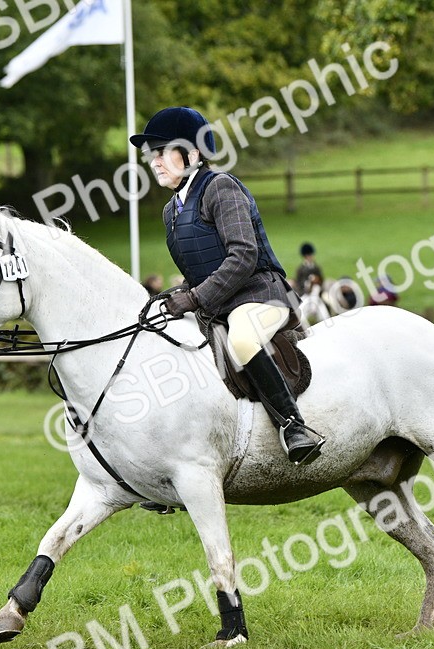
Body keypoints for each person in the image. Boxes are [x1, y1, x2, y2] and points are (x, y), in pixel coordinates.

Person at [130, 106, 324, 464]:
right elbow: (200, 269)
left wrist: (194, 297)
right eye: (151, 154)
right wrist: (176, 296)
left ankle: (293, 425)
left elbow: (244, 255)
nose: (154, 161)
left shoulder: (220, 187)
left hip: (259, 295)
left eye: (162, 152)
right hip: (219, 303)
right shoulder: (171, 210)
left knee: (242, 339)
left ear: (193, 154)